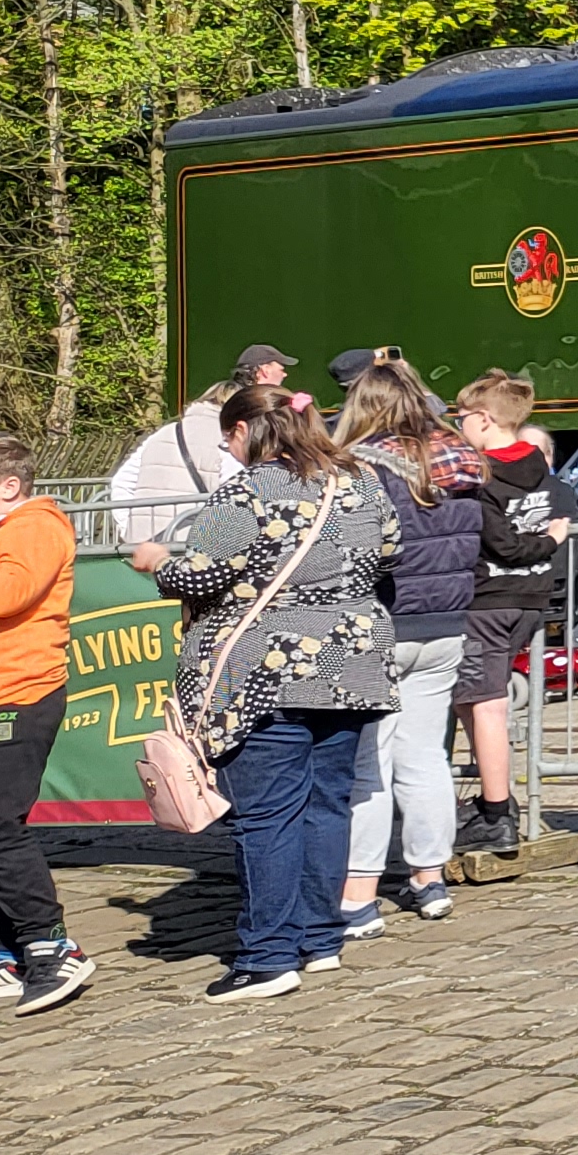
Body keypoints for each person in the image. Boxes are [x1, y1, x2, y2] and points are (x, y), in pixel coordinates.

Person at [136, 384, 397, 1001]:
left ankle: (267, 956)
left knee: (268, 815)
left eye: (228, 438)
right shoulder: (362, 481)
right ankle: (319, 938)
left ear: (247, 431)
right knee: (327, 803)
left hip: (265, 670)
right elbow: (390, 553)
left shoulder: (249, 489)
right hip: (354, 661)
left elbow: (203, 570)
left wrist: (156, 563)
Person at [333, 364, 484, 938]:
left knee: (369, 763)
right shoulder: (463, 462)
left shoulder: (361, 468)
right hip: (446, 621)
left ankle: (359, 895)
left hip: (382, 623)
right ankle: (429, 877)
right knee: (425, 756)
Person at [0, 435, 92, 1013]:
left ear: (8, 487)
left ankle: (54, 947)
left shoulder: (34, 527)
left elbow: (6, 596)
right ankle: (9, 954)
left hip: (11, 699)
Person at [450, 373, 576, 853]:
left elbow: (500, 542)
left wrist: (544, 541)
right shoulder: (541, 472)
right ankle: (494, 791)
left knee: (485, 704)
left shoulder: (480, 476)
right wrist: (549, 543)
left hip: (487, 599)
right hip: (530, 597)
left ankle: (496, 812)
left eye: (461, 419)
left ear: (483, 420)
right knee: (475, 699)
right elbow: (563, 509)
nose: (458, 427)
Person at [102, 345, 293, 546]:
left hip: (147, 549)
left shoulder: (166, 432)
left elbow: (121, 482)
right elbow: (239, 487)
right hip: (194, 548)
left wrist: (131, 532)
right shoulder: (228, 437)